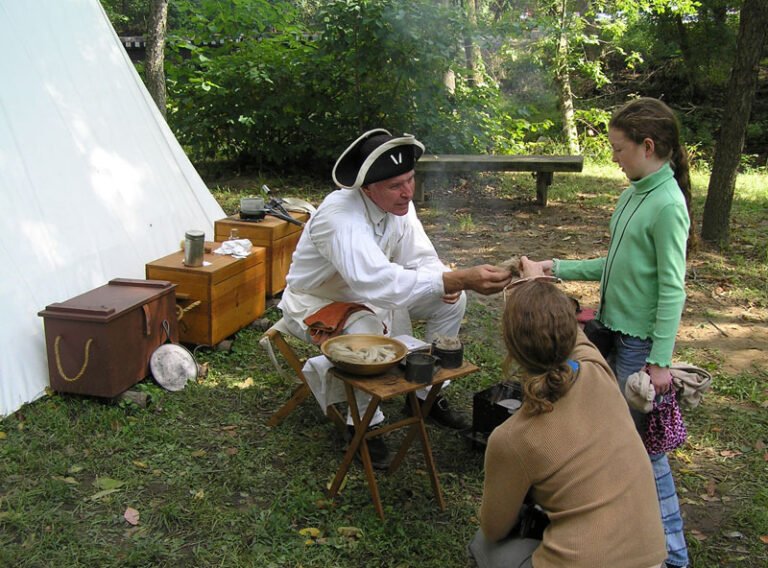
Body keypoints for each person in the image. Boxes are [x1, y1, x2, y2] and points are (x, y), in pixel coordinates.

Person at [521, 97, 692, 567]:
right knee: (604, 427)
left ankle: (673, 555)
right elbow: (612, 263)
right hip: (612, 329)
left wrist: (659, 360)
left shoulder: (667, 204)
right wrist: (555, 265)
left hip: (640, 343)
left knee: (640, 448)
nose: (613, 157)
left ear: (648, 146)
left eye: (618, 149)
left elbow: (672, 289)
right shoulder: (633, 192)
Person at [278, 128, 513, 468]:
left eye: (411, 179)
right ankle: (361, 425)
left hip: (374, 296)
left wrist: (446, 282)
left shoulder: (399, 205)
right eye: (395, 185)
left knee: (453, 299)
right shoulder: (339, 216)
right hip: (315, 303)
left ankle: (423, 399)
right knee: (367, 328)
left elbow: (420, 258)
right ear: (367, 188)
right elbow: (374, 279)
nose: (407, 192)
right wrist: (454, 277)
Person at [469, 277, 667, 568]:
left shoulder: (512, 437)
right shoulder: (597, 369)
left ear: (511, 347)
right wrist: (541, 288)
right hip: (652, 560)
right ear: (571, 327)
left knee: (483, 544)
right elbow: (574, 337)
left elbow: (494, 527)